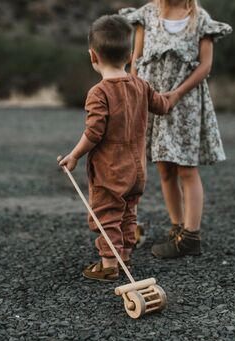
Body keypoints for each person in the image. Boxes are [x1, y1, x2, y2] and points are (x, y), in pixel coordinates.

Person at [59, 14, 171, 281]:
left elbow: (94, 133)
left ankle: (110, 263)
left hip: (111, 170)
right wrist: (175, 93)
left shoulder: (99, 93)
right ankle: (125, 258)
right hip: (137, 170)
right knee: (128, 213)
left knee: (106, 215)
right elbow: (163, 106)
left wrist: (74, 155)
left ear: (92, 57)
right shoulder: (141, 85)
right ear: (131, 55)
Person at [120, 0, 232, 258]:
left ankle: (191, 236)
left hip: (185, 106)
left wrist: (177, 94)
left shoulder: (200, 19)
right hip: (152, 101)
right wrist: (135, 96)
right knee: (164, 167)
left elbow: (205, 66)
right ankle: (177, 227)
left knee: (186, 169)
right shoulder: (147, 15)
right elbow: (137, 61)